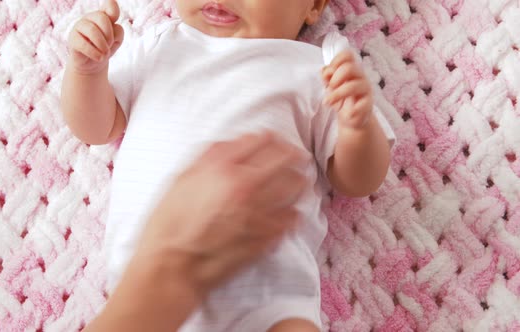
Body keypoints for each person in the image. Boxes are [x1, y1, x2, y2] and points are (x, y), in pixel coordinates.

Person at [61, 0, 395, 330]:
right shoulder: (158, 45)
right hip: (146, 287)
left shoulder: (318, 69)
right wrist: (87, 71)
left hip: (265, 293)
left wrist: (358, 127)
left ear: (313, 7)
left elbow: (358, 181)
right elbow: (98, 128)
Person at [84, 132, 310, 332]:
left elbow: (343, 178)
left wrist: (347, 127)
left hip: (272, 267)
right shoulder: (151, 83)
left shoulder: (314, 86)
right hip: (141, 258)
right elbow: (96, 130)